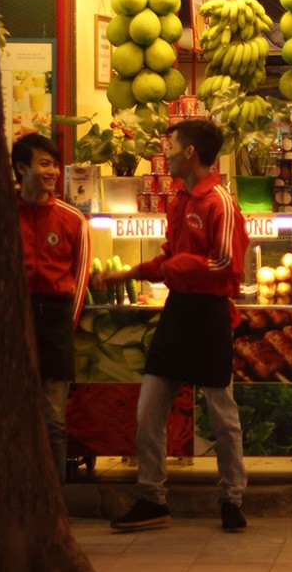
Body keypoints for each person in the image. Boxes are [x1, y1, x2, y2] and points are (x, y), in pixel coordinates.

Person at [96, 118, 249, 533]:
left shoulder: (220, 201)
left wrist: (176, 266)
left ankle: (232, 499)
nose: (165, 154)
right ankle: (151, 498)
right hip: (178, 311)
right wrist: (127, 274)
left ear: (190, 153)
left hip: (211, 315)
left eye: (171, 146)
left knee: (222, 415)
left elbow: (226, 264)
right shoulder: (179, 200)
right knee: (149, 408)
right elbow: (168, 257)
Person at [12, 132, 91, 483]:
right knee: (12, 416)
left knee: (53, 419)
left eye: (54, 164)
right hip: (13, 320)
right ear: (21, 168)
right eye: (44, 164)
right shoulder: (2, 215)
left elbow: (80, 277)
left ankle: (55, 503)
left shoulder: (73, 219)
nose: (53, 172)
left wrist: (65, 324)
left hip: (56, 320)